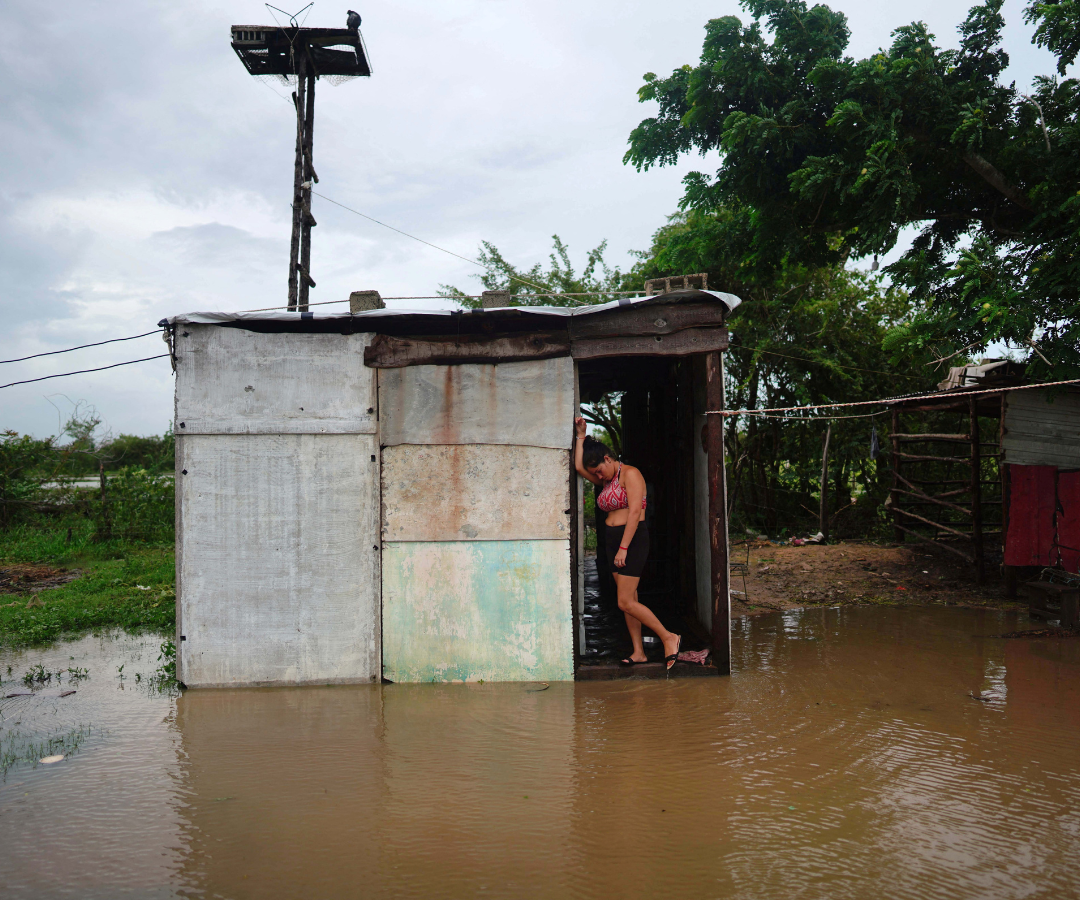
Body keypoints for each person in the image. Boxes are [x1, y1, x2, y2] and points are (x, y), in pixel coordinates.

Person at [574, 417, 681, 669]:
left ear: (608, 459)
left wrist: (623, 547)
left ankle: (669, 637)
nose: (597, 475)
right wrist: (581, 435)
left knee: (624, 601)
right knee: (628, 599)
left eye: (599, 469)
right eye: (595, 473)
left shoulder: (630, 474)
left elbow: (634, 513)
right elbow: (579, 467)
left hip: (631, 541)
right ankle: (638, 652)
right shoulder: (606, 481)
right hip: (613, 541)